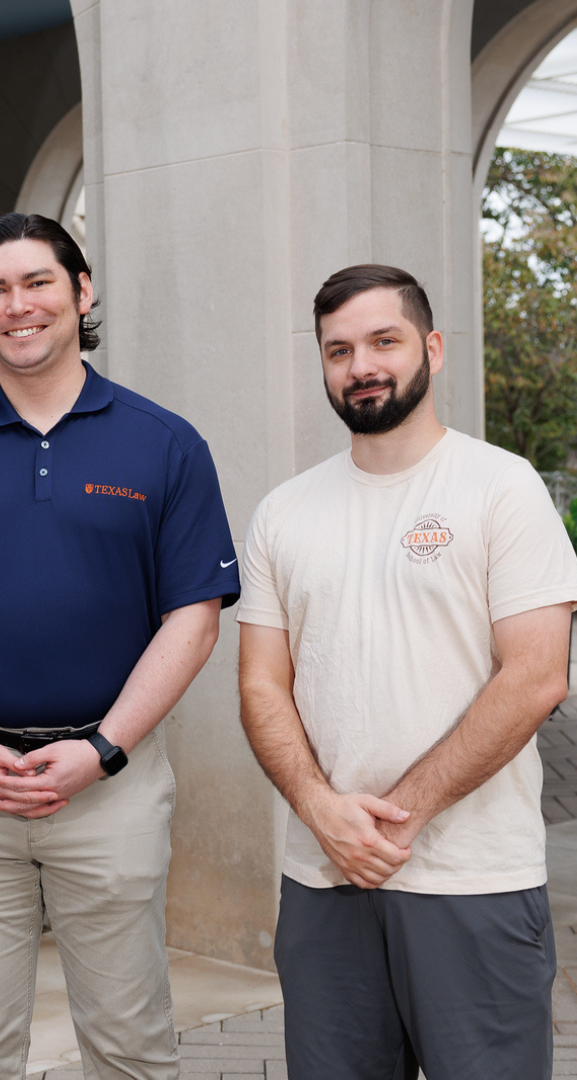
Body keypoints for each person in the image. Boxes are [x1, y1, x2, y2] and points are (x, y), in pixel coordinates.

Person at [0, 212, 240, 1079]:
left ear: (81, 292)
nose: (17, 305)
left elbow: (196, 616)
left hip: (111, 783)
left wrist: (101, 750)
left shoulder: (164, 444)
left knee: (129, 1045)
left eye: (37, 283)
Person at [237, 263, 577, 1079]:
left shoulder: (501, 487)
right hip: (324, 881)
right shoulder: (283, 511)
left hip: (473, 879)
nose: (362, 366)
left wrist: (397, 819)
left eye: (383, 341)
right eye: (339, 350)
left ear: (431, 347)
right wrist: (322, 812)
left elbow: (536, 677)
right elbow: (259, 685)